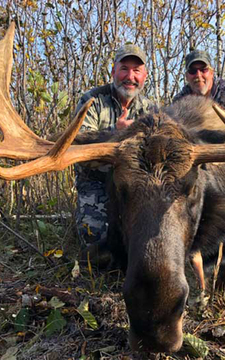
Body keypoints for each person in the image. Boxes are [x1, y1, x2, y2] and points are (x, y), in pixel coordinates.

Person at [74, 44, 153, 246]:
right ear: (113, 71)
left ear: (144, 76)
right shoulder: (92, 101)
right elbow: (78, 144)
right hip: (97, 182)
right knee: (96, 241)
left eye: (136, 71)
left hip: (137, 186)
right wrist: (114, 133)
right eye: (124, 69)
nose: (130, 77)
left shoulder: (150, 108)